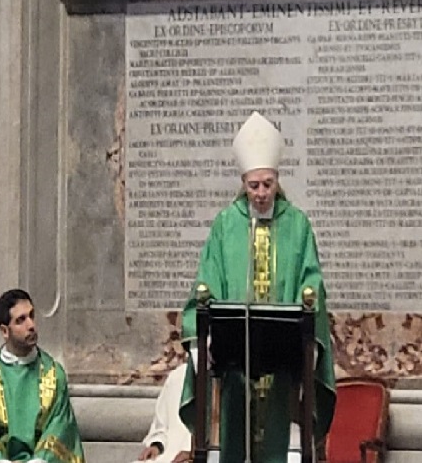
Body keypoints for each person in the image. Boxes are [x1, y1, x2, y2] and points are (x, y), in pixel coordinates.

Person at [179, 112, 336, 463]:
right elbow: (206, 282)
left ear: (277, 180)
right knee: (235, 418)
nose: (261, 194)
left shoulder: (297, 225)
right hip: (235, 361)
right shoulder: (226, 225)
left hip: (282, 360)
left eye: (267, 184)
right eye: (254, 186)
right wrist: (202, 341)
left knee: (276, 426)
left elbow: (312, 284)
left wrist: (306, 337)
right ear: (243, 182)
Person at [0, 289, 85, 463]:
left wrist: (39, 460)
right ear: (5, 331)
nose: (31, 325)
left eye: (32, 315)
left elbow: (60, 427)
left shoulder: (54, 375)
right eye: (21, 320)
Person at [131, 363, 191, 463]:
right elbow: (161, 424)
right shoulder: (178, 375)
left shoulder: (220, 377)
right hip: (170, 454)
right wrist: (157, 445)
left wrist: (192, 452)